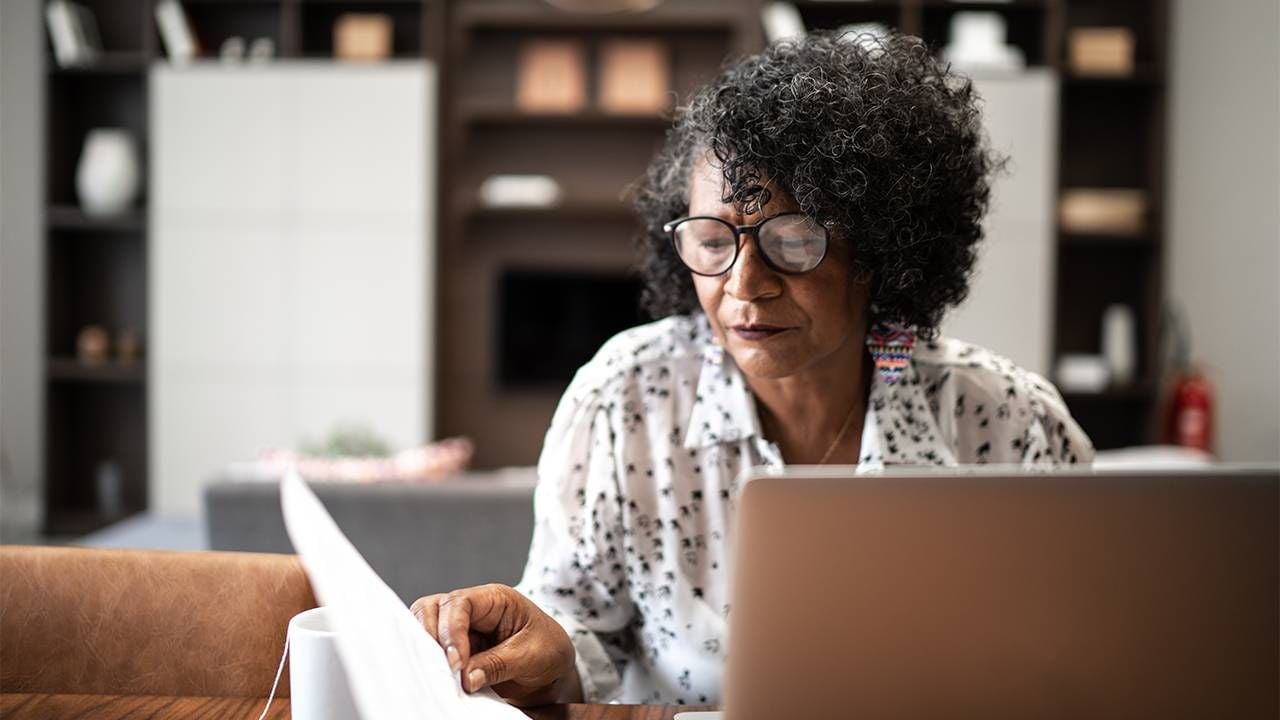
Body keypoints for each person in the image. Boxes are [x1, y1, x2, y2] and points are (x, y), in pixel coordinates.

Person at [411, 30, 1093, 706]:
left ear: (881, 249)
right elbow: (578, 641)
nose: (743, 284)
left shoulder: (1007, 424)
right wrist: (545, 651)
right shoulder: (626, 398)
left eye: (793, 241)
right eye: (712, 240)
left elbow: (1077, 663)